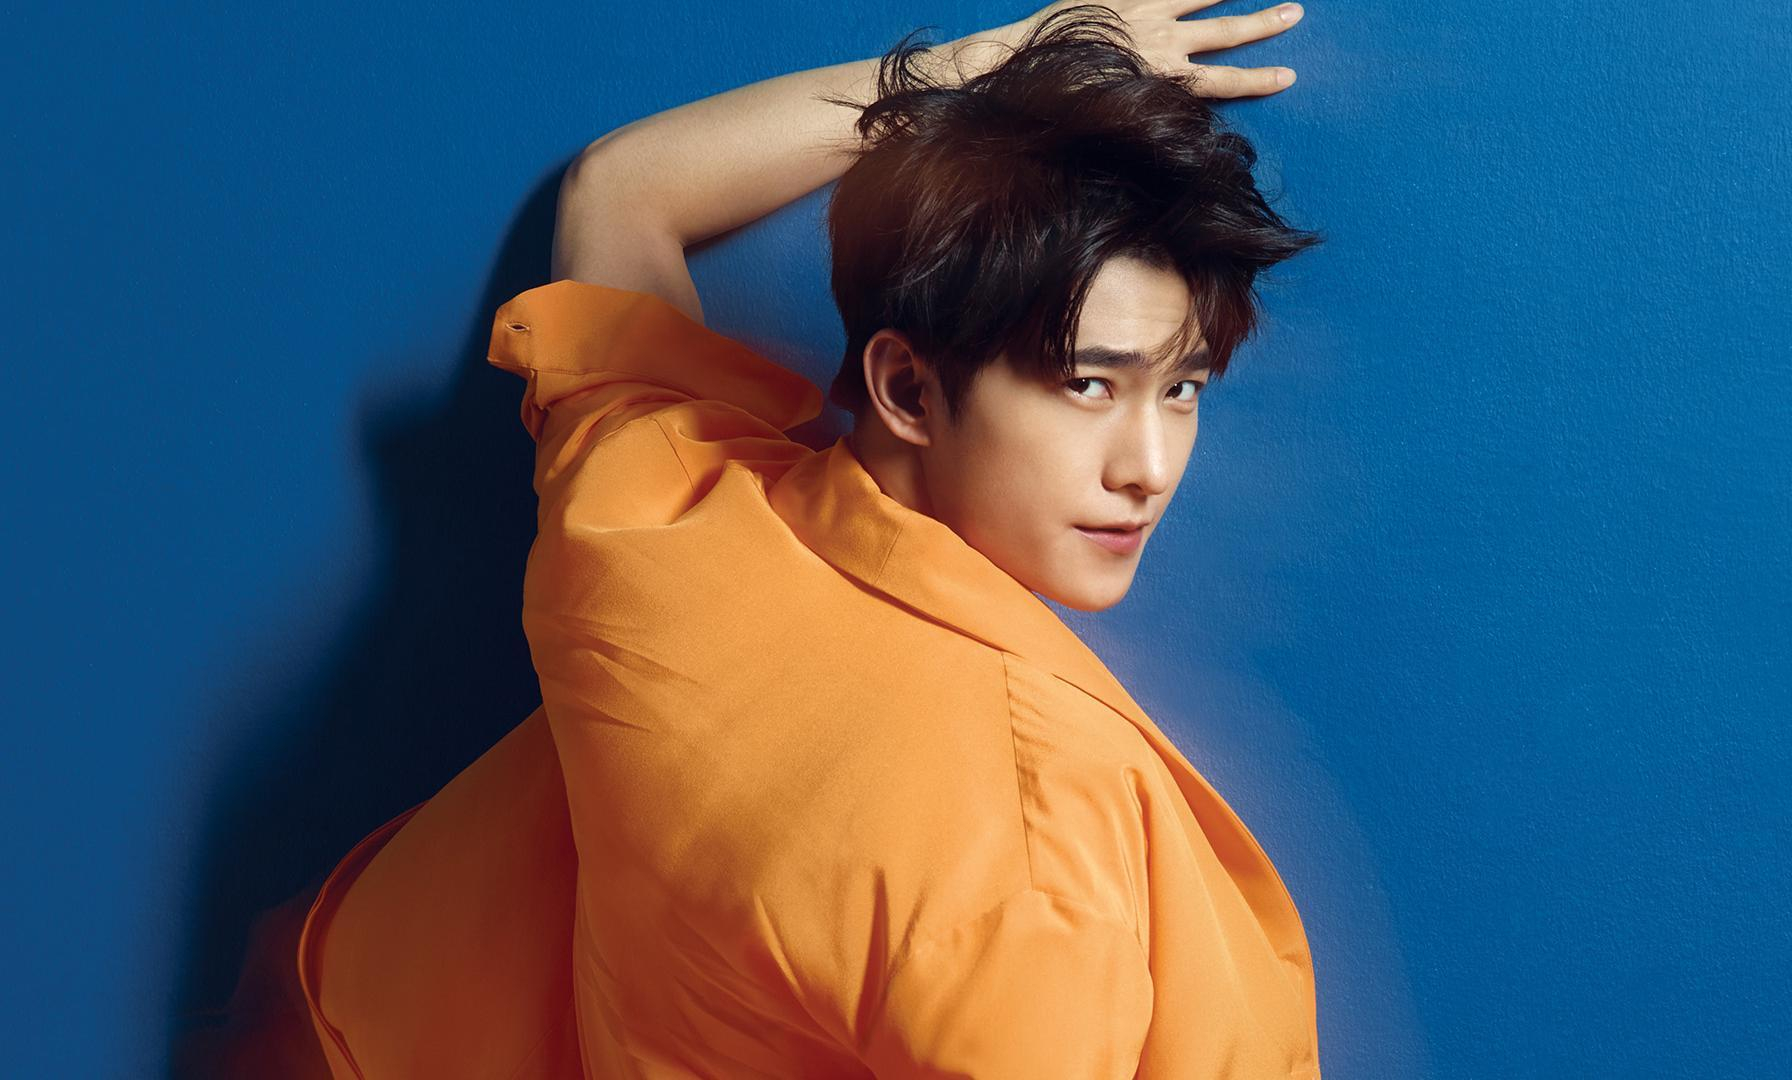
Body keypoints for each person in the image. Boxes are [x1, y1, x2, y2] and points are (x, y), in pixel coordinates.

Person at [187, 2, 1322, 1077]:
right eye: (1088, 385)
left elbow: (622, 187)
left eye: (1182, 388)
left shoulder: (651, 516)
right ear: (907, 388)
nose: (1149, 467)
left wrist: (985, 75)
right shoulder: (1031, 849)